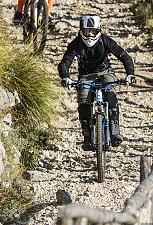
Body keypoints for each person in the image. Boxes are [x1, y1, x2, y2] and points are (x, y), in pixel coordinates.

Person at [58, 14, 136, 150]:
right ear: (81, 30)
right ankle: (87, 137)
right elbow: (65, 62)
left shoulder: (106, 41)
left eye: (93, 31)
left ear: (99, 30)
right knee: (83, 103)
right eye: (87, 31)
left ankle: (115, 131)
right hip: (85, 76)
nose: (89, 35)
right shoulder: (76, 44)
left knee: (111, 95)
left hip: (106, 72)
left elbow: (124, 56)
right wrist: (65, 77)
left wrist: (130, 74)